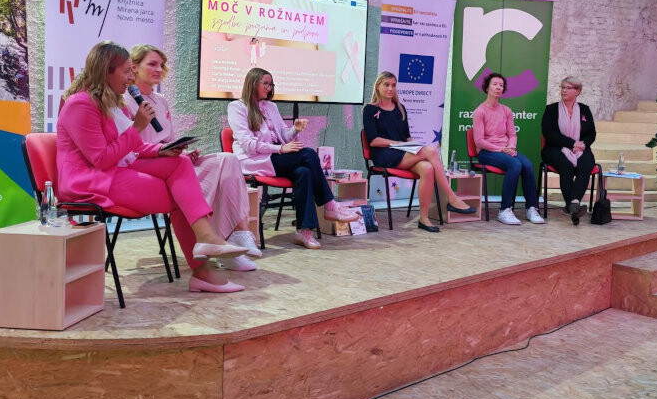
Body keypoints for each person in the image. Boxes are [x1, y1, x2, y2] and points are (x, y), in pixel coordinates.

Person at [56, 41, 248, 294]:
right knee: (181, 197)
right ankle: (204, 267)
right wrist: (137, 127)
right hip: (91, 181)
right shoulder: (80, 104)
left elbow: (129, 148)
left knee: (180, 163)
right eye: (126, 71)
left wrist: (161, 150)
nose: (131, 77)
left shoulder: (110, 101)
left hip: (115, 170)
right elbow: (101, 158)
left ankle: (206, 241)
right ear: (106, 70)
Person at [127, 44, 260, 273]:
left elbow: (167, 138)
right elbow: (127, 145)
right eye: (152, 64)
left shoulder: (161, 100)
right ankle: (222, 244)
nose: (159, 69)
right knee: (212, 181)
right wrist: (163, 150)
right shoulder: (124, 100)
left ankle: (238, 234)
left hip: (170, 158)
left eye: (161, 65)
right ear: (134, 67)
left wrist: (180, 149)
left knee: (228, 160)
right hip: (147, 165)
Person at [227, 68, 359, 249]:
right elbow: (248, 144)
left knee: (304, 172)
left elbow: (283, 135)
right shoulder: (237, 107)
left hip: (276, 156)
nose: (269, 88)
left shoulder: (271, 107)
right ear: (253, 83)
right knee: (309, 154)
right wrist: (280, 149)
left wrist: (294, 129)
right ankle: (329, 205)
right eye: (265, 84)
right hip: (254, 160)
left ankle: (304, 231)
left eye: (271, 84)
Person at [363, 71, 475, 232]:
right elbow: (373, 140)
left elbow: (407, 136)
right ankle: (452, 198)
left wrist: (412, 145)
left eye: (393, 85)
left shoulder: (400, 108)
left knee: (428, 168)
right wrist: (398, 143)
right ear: (378, 86)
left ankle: (423, 218)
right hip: (384, 154)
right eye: (386, 85)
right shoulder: (370, 109)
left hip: (402, 152)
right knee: (430, 151)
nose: (390, 88)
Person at [472, 72, 545, 226]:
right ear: (487, 87)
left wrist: (511, 146)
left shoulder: (506, 110)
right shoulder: (480, 111)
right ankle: (504, 210)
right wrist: (501, 149)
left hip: (505, 150)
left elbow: (512, 134)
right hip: (486, 152)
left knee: (527, 165)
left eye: (501, 85)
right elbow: (479, 141)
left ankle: (531, 208)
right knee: (515, 164)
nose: (498, 87)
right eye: (495, 84)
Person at [541, 76, 597, 225]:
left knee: (586, 163)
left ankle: (573, 203)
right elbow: (549, 134)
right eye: (562, 87)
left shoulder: (585, 110)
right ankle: (573, 204)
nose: (564, 90)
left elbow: (592, 133)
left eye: (568, 88)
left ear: (577, 91)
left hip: (580, 148)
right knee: (566, 165)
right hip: (555, 148)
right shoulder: (551, 110)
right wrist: (572, 143)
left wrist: (583, 144)